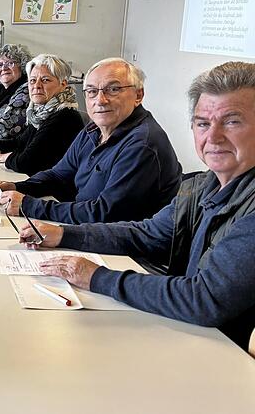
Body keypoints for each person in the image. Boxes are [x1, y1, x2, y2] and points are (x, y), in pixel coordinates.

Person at [20, 61, 255, 350]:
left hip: (225, 359)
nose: (213, 137)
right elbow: (147, 234)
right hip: (188, 333)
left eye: (232, 121)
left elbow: (204, 299)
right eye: (203, 123)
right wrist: (63, 235)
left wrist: (95, 276)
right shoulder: (202, 186)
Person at [0, 57, 182, 224]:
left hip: (127, 254)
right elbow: (58, 175)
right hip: (91, 229)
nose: (100, 100)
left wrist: (29, 205)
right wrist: (16, 187)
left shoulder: (142, 144)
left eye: (113, 89)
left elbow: (105, 214)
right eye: (91, 91)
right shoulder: (94, 129)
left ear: (138, 95)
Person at [0, 54, 84, 176]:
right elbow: (19, 143)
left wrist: (6, 157)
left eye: (45, 80)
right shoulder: (41, 112)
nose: (36, 86)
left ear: (63, 84)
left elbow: (26, 162)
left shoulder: (65, 116)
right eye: (32, 80)